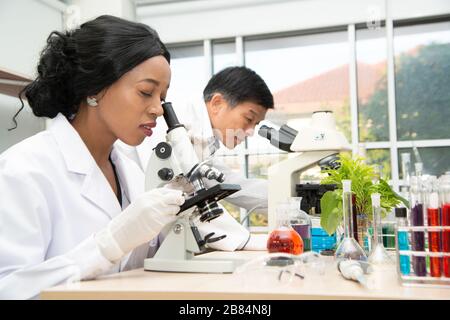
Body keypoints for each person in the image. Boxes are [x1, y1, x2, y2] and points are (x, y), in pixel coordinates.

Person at [0, 15, 186, 300]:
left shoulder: (131, 169)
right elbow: (9, 289)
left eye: (161, 97)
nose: (158, 110)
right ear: (95, 88)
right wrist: (105, 247)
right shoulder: (23, 170)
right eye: (146, 92)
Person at [132, 66, 275, 252]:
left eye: (255, 124)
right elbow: (189, 199)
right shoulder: (180, 127)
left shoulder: (205, 138)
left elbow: (235, 185)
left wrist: (291, 194)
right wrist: (246, 240)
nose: (250, 132)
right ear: (217, 103)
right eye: (249, 118)